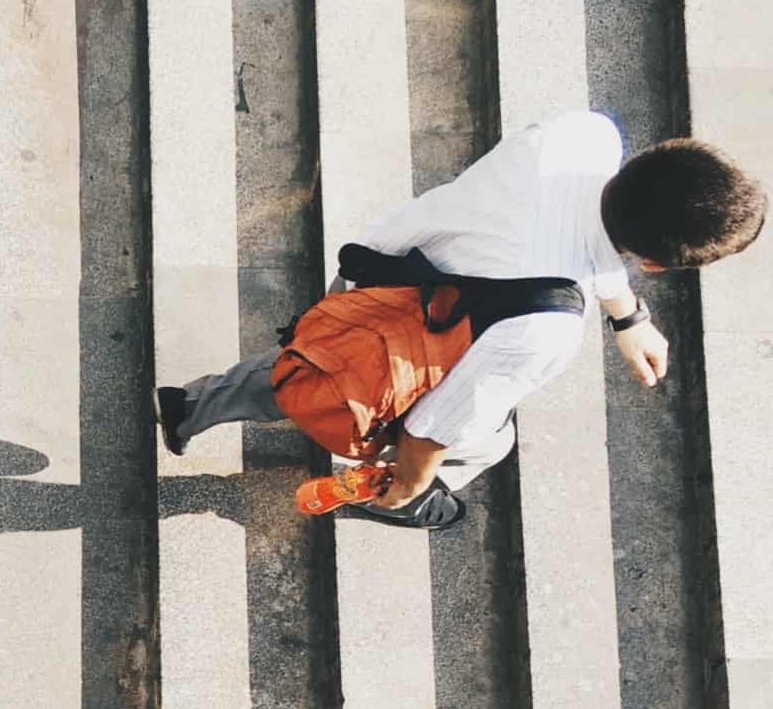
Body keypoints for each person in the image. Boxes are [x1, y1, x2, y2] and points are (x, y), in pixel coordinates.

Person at [154, 110, 765, 529]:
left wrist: (627, 316)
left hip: (373, 277)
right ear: (656, 265)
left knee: (317, 357)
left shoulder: (580, 137)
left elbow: (580, 235)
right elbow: (434, 424)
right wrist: (411, 485)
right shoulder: (548, 328)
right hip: (413, 353)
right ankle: (385, 500)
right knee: (488, 442)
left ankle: (192, 405)